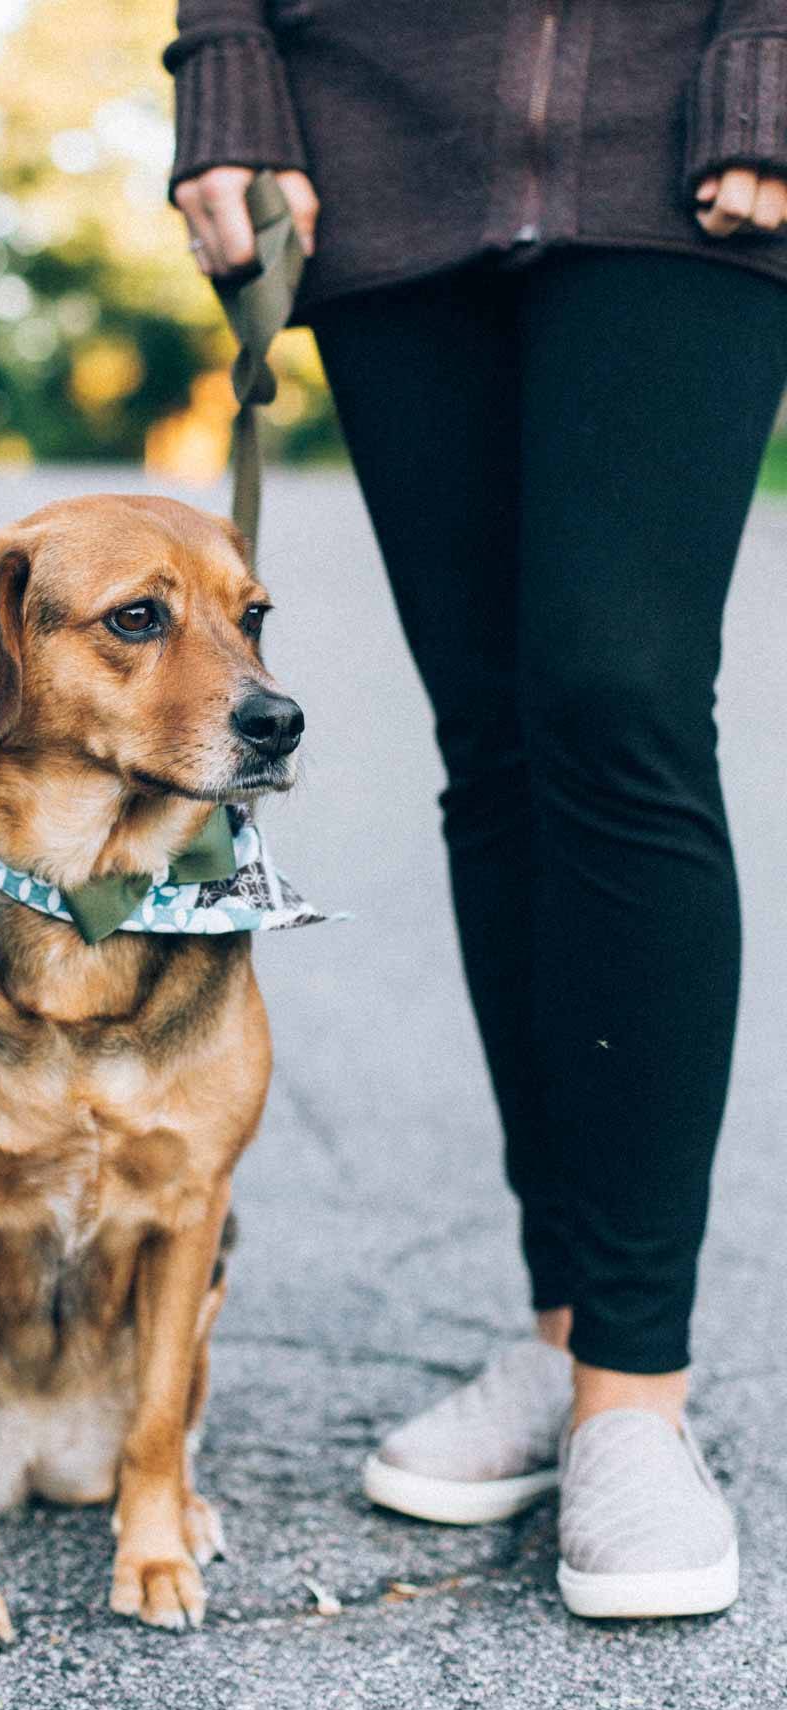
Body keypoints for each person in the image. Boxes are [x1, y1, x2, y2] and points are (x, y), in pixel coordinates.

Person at [164, 0, 787, 1620]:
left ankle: (636, 1393)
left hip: (683, 130)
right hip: (385, 130)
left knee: (615, 702)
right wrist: (230, 67)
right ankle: (567, 1328)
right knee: (497, 747)